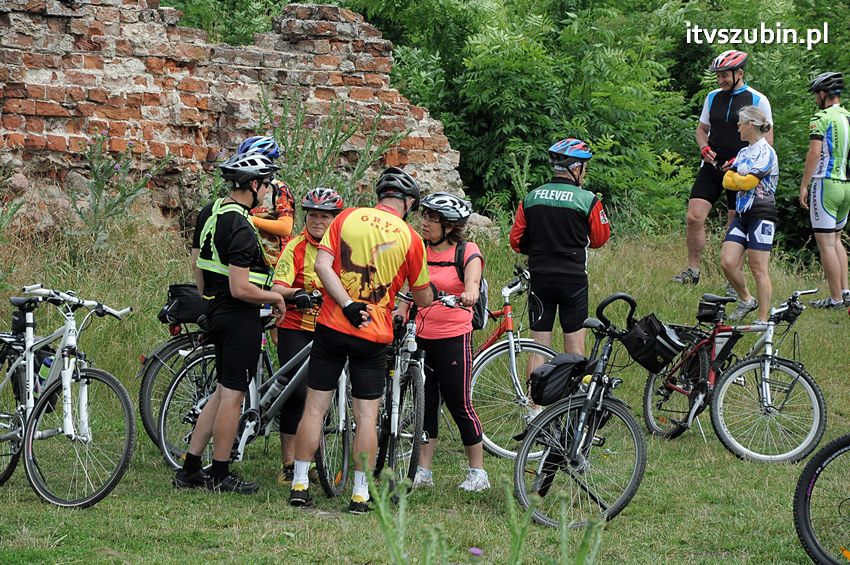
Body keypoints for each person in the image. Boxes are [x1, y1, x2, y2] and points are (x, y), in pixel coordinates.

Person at [288, 167, 434, 514]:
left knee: (315, 407)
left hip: (332, 323)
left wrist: (347, 304)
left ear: (379, 196)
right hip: (374, 331)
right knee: (367, 416)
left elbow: (323, 267)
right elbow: (422, 296)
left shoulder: (348, 217)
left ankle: (299, 484)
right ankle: (358, 494)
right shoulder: (410, 237)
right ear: (409, 203)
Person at [173, 152, 285, 494]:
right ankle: (221, 474)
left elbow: (197, 265)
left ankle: (190, 468)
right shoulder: (241, 225)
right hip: (239, 316)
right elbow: (240, 286)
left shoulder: (211, 211)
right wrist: (276, 298)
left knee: (221, 392)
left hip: (215, 309)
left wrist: (211, 297)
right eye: (266, 185)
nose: (268, 192)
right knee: (233, 396)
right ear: (253, 185)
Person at [408, 192, 489, 492]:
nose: (425, 222)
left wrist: (469, 294)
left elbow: (473, 285)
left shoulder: (467, 252)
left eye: (432, 218)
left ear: (450, 226)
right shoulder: (419, 249)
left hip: (454, 337)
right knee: (425, 404)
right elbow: (409, 286)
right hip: (421, 338)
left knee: (459, 403)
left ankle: (478, 472)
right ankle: (423, 470)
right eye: (424, 216)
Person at [674, 50, 773, 288]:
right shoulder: (712, 97)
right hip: (713, 166)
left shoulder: (758, 100)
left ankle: (732, 279)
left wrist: (745, 165)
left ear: (739, 73)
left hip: (741, 172)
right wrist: (704, 148)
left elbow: (767, 142)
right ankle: (693, 270)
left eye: (724, 76)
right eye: (718, 76)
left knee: (734, 224)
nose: (720, 80)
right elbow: (701, 131)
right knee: (694, 217)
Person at [509, 138, 610, 358]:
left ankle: (532, 394)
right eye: (584, 168)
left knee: (538, 349)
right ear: (575, 168)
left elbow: (516, 241)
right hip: (572, 280)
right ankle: (574, 393)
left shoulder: (531, 197)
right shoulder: (588, 200)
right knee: (574, 348)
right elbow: (600, 239)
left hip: (540, 277)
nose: (584, 173)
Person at [270, 187, 345, 485]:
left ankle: (316, 461)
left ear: (334, 220)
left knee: (323, 394)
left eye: (324, 216)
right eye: (312, 215)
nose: (317, 221)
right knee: (298, 393)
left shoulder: (343, 250)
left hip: (329, 328)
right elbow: (277, 288)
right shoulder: (295, 247)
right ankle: (289, 464)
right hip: (295, 327)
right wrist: (297, 293)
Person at [720, 105, 779, 323]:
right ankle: (746, 299)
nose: (737, 128)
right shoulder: (744, 152)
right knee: (727, 261)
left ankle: (762, 320)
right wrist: (738, 181)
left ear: (749, 125)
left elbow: (749, 181)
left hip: (762, 214)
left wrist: (737, 179)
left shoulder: (767, 152)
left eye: (739, 124)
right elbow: (727, 181)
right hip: (742, 214)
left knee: (758, 268)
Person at [799, 72, 850, 309]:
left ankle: (835, 298)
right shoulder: (848, 116)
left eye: (815, 95)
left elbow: (814, 153)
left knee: (826, 243)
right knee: (837, 239)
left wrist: (804, 185)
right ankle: (845, 292)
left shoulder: (821, 117)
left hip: (825, 183)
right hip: (846, 184)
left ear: (822, 94)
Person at [239, 135, 296, 268]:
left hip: (275, 263)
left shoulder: (278, 189)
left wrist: (250, 220)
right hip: (249, 258)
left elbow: (286, 228)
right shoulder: (244, 188)